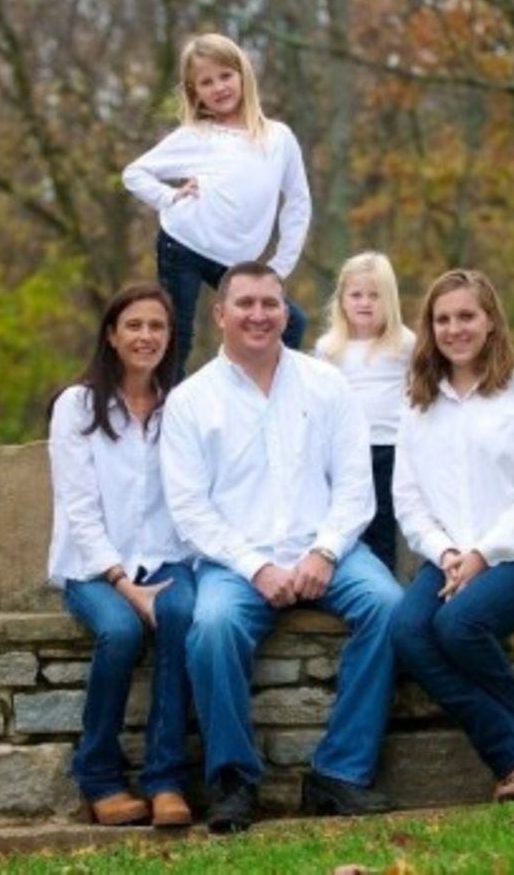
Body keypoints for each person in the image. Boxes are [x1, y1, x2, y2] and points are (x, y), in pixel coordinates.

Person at [160, 262, 403, 834]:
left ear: (284, 311)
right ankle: (234, 782)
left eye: (270, 304)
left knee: (391, 608)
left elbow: (354, 487)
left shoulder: (326, 384)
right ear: (220, 314)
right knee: (213, 626)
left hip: (329, 551)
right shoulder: (192, 401)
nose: (259, 315)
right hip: (235, 564)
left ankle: (339, 773)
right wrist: (256, 566)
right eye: (244, 304)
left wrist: (324, 552)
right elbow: (190, 510)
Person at [390, 269, 514, 802]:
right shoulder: (418, 403)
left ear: (490, 321)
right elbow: (408, 498)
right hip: (446, 562)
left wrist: (483, 555)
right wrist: (445, 552)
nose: (454, 328)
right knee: (408, 631)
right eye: (442, 319)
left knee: (459, 623)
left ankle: (513, 756)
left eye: (466, 315)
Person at [46, 283, 196, 828]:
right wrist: (122, 582)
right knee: (123, 631)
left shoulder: (181, 408)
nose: (146, 336)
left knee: (182, 616)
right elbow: (79, 510)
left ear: (170, 338)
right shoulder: (77, 406)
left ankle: (166, 780)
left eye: (157, 326)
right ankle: (100, 778)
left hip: (166, 556)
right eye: (134, 325)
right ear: (111, 335)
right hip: (93, 566)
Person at [124, 33, 312, 380]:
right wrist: (169, 196)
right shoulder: (197, 135)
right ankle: (165, 418)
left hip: (235, 261)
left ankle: (245, 393)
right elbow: (134, 173)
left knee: (291, 323)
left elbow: (298, 203)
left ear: (243, 75)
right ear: (195, 92)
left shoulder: (279, 137)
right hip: (183, 244)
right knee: (178, 340)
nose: (219, 87)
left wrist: (280, 267)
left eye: (225, 76)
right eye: (206, 82)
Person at [313, 252, 415, 573]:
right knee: (346, 519)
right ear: (342, 299)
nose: (365, 303)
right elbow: (320, 404)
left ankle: (383, 583)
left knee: (383, 521)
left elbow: (419, 393)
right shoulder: (329, 348)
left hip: (391, 448)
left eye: (375, 295)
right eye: (356, 295)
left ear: (390, 300)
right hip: (345, 451)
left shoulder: (404, 344)